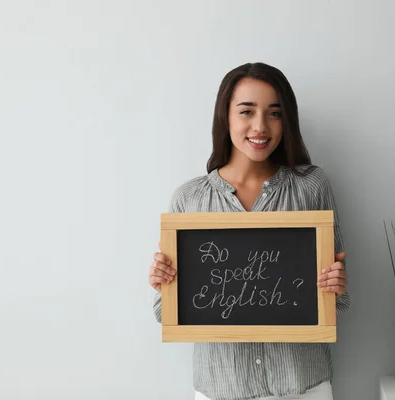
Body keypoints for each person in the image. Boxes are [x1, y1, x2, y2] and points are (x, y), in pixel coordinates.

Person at [148, 62, 349, 400]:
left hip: (303, 386)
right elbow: (163, 312)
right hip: (222, 389)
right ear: (225, 117)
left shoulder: (311, 186)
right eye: (246, 111)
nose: (260, 126)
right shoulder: (189, 198)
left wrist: (337, 284)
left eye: (274, 113)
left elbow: (338, 302)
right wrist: (162, 280)